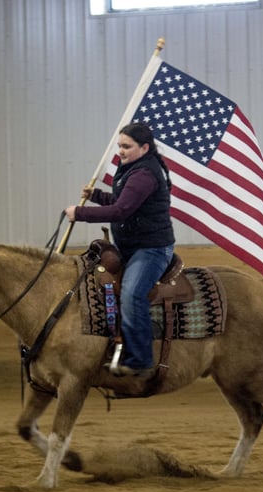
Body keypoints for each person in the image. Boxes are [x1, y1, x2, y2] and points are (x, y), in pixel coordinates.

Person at [65, 122, 175, 378]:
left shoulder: (144, 174)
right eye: (119, 146)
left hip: (152, 249)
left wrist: (79, 213)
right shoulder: (132, 169)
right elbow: (122, 200)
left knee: (132, 295)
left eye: (126, 146)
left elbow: (121, 211)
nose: (121, 151)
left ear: (144, 147)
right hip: (131, 247)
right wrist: (96, 196)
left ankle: (140, 359)